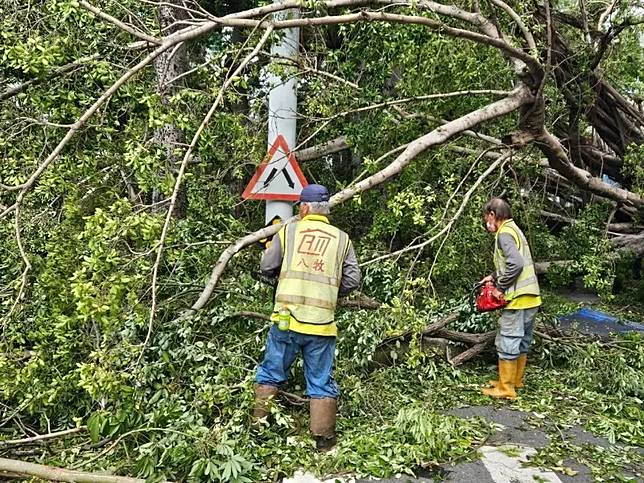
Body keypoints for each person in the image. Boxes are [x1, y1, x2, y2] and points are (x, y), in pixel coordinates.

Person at [252, 184, 361, 451]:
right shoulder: (342, 239)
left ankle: (258, 431)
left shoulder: (288, 231)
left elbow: (267, 266)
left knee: (271, 372)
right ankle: (323, 440)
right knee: (321, 379)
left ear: (303, 207)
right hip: (322, 323)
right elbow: (353, 280)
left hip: (287, 319)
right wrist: (332, 288)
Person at [480, 197, 541, 399]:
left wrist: (499, 287)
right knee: (523, 340)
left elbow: (516, 264)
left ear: (492, 215)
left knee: (507, 339)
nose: (485, 223)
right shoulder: (514, 229)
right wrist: (494, 275)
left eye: (485, 218)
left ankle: (506, 388)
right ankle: (515, 381)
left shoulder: (503, 234)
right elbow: (513, 262)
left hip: (517, 299)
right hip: (531, 297)